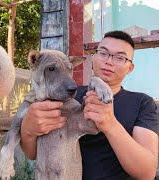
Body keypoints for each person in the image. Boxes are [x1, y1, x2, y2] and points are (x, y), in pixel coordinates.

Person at [20, 30, 158, 179]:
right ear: (94, 58)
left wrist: (111, 125)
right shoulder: (67, 95)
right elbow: (33, 153)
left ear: (130, 68)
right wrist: (28, 132)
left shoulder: (143, 103)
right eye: (103, 53)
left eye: (120, 57)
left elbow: (147, 172)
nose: (109, 61)